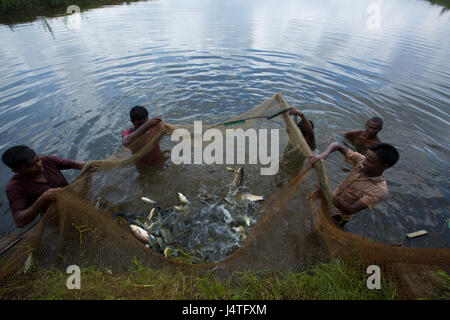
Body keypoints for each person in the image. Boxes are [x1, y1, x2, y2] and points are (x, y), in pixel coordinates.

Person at [2, 146, 98, 228]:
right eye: (31, 166)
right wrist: (43, 199)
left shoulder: (47, 161)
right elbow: (19, 221)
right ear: (16, 171)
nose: (39, 165)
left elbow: (71, 164)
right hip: (60, 221)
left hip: (79, 203)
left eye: (37, 159)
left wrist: (84, 166)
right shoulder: (14, 188)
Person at [308, 141, 399, 228]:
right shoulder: (362, 161)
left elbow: (350, 210)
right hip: (329, 201)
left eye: (370, 161)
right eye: (366, 157)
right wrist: (324, 154)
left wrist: (327, 194)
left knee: (320, 233)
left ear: (384, 166)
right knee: (311, 222)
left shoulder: (379, 191)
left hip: (338, 216)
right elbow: (337, 145)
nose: (364, 162)